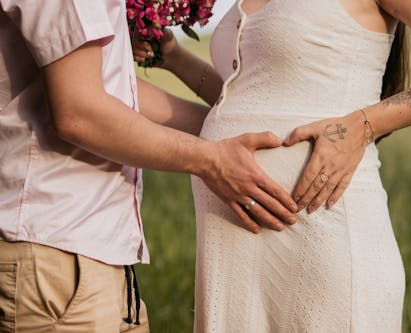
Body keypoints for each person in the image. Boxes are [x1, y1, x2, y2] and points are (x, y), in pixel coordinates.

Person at [135, 0, 411, 331]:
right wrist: (175, 58)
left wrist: (363, 125)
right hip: (234, 249)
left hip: (320, 233)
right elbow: (254, 97)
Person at [0, 1, 299, 332]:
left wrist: (228, 132)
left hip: (96, 257)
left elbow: (111, 95)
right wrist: (210, 160)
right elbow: (79, 111)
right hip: (55, 254)